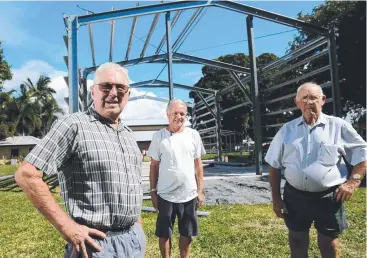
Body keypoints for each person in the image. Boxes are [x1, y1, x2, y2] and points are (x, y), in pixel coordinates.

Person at [15, 63, 146, 258]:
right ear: (93, 92)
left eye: (120, 88)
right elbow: (26, 174)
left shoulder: (128, 135)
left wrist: (138, 227)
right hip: (96, 246)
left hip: (133, 241)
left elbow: (132, 186)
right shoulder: (74, 125)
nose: (113, 93)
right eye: (105, 86)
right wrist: (67, 227)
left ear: (127, 94)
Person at [265, 82, 367, 258]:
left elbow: (362, 154)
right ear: (297, 102)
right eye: (304, 98)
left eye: (313, 97)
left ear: (323, 100)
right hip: (294, 196)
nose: (308, 102)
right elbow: (274, 165)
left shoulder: (338, 126)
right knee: (296, 241)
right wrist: (276, 198)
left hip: (329, 197)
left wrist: (353, 182)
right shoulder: (286, 130)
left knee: (328, 244)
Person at [147, 99, 205, 258]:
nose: (179, 116)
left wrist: (200, 190)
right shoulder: (159, 136)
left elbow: (198, 165)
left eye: (182, 113)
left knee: (187, 233)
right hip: (165, 195)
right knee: (164, 234)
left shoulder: (193, 135)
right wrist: (153, 192)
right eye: (175, 113)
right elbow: (154, 167)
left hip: (189, 194)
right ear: (167, 115)